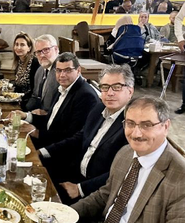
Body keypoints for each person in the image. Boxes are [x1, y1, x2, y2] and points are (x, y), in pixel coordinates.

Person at [46, 65, 134, 204]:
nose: (109, 93)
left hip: (96, 192)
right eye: (104, 87)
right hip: (75, 173)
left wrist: (80, 189)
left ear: (130, 91)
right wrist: (44, 152)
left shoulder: (133, 124)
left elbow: (122, 172)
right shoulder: (99, 108)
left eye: (116, 87)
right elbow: (79, 138)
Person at [16, 52, 99, 151]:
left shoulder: (85, 95)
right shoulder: (62, 87)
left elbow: (72, 135)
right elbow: (51, 120)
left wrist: (37, 133)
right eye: (59, 70)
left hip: (59, 151)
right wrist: (26, 116)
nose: (62, 75)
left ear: (78, 70)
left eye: (67, 70)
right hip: (48, 140)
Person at [22, 35, 60, 112]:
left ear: (56, 49)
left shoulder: (62, 72)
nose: (42, 55)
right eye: (38, 52)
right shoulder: (40, 70)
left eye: (46, 50)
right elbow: (35, 97)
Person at [11, 33, 39, 98]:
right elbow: (18, 84)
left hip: (29, 100)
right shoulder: (19, 61)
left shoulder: (35, 63)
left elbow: (34, 90)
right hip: (19, 97)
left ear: (29, 48)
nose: (18, 47)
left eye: (22, 45)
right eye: (16, 44)